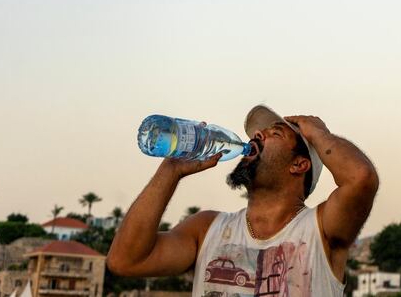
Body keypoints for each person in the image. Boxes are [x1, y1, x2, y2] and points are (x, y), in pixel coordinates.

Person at [107, 105, 379, 297]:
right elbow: (125, 261)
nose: (257, 135)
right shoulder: (206, 229)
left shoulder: (323, 230)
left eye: (275, 133)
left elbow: (361, 178)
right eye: (258, 133)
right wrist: (170, 171)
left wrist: (319, 134)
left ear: (299, 164)